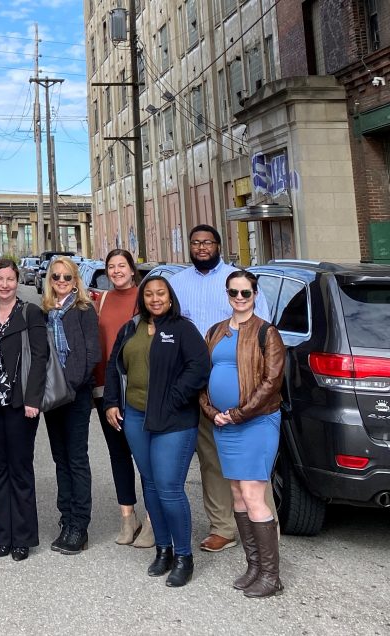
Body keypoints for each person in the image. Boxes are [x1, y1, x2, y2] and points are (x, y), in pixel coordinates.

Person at [167, 224, 274, 553]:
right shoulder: (177, 283)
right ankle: (223, 528)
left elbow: (264, 333)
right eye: (195, 242)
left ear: (218, 245)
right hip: (197, 386)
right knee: (213, 460)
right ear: (189, 246)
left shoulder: (238, 281)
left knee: (251, 463)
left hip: (242, 386)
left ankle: (264, 525)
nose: (201, 247)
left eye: (207, 242)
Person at [103, 276, 210, 587]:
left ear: (170, 296)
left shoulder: (182, 329)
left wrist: (174, 397)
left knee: (169, 486)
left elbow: (200, 367)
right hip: (135, 416)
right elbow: (114, 366)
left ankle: (184, 556)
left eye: (160, 293)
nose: (154, 298)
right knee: (149, 483)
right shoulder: (131, 327)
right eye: (148, 294)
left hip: (174, 420)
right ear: (142, 298)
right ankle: (163, 549)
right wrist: (112, 401)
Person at [200, 270, 286, 598]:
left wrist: (237, 413)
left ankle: (271, 575)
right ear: (227, 294)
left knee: (253, 494)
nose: (239, 298)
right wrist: (213, 412)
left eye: (245, 293)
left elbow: (271, 382)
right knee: (236, 492)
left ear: (254, 294)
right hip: (224, 424)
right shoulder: (216, 332)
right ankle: (254, 566)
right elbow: (202, 377)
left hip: (257, 423)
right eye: (233, 293)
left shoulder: (268, 333)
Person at [0, 259, 47, 562]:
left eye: (10, 279)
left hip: (19, 406)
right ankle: (2, 535)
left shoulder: (30, 314)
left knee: (20, 470)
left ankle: (23, 537)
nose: (4, 284)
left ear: (17, 282)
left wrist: (33, 400)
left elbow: (40, 359)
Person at [91, 249, 154, 547]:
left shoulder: (146, 297)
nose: (116, 271)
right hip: (106, 390)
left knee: (145, 456)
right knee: (119, 455)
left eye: (121, 266)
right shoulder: (101, 300)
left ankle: (154, 519)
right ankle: (128, 518)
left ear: (132, 269)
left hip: (139, 390)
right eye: (111, 267)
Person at [41, 256, 100, 555]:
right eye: (56, 277)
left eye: (67, 277)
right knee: (60, 459)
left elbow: (92, 354)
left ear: (76, 280)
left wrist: (70, 386)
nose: (61, 282)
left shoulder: (84, 311)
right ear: (50, 280)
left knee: (76, 459)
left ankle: (80, 524)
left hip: (74, 396)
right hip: (52, 398)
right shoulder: (45, 312)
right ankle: (66, 518)